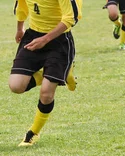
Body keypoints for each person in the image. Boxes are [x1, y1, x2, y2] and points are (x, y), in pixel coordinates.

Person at [11, 0, 82, 147]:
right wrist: (20, 27)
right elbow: (21, 5)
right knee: (16, 86)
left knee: (46, 93)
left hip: (59, 40)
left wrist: (45, 39)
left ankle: (32, 133)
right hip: (33, 35)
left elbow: (71, 18)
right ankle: (62, 73)